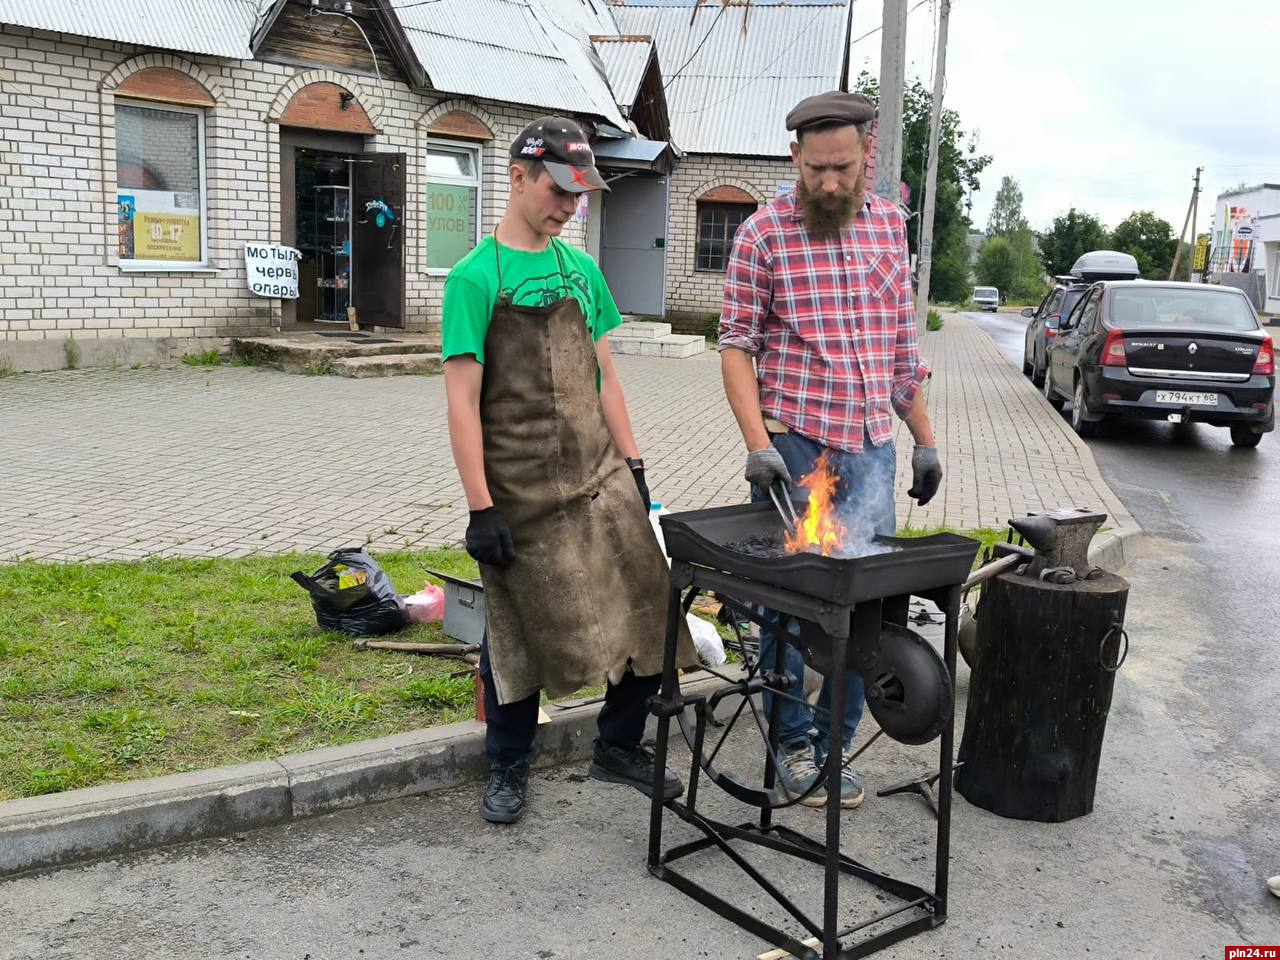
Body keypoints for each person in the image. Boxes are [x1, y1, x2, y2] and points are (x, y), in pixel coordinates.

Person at [442, 117, 696, 825]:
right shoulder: (473, 278)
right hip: (517, 488)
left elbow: (606, 376)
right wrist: (479, 506)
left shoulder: (581, 271)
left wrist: (635, 465)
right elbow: (462, 403)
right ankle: (510, 764)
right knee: (516, 630)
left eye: (580, 197)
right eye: (559, 191)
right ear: (519, 177)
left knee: (649, 598)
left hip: (599, 475)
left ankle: (617, 746)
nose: (568, 208)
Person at [717, 91, 943, 810]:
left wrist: (926, 444)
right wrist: (759, 445)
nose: (829, 183)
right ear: (795, 158)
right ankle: (789, 742)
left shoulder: (888, 230)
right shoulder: (763, 234)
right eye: (815, 169)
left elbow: (902, 355)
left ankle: (832, 744)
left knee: (864, 608)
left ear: (867, 155)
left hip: (873, 451)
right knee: (789, 607)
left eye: (843, 168)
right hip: (795, 446)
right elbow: (734, 348)